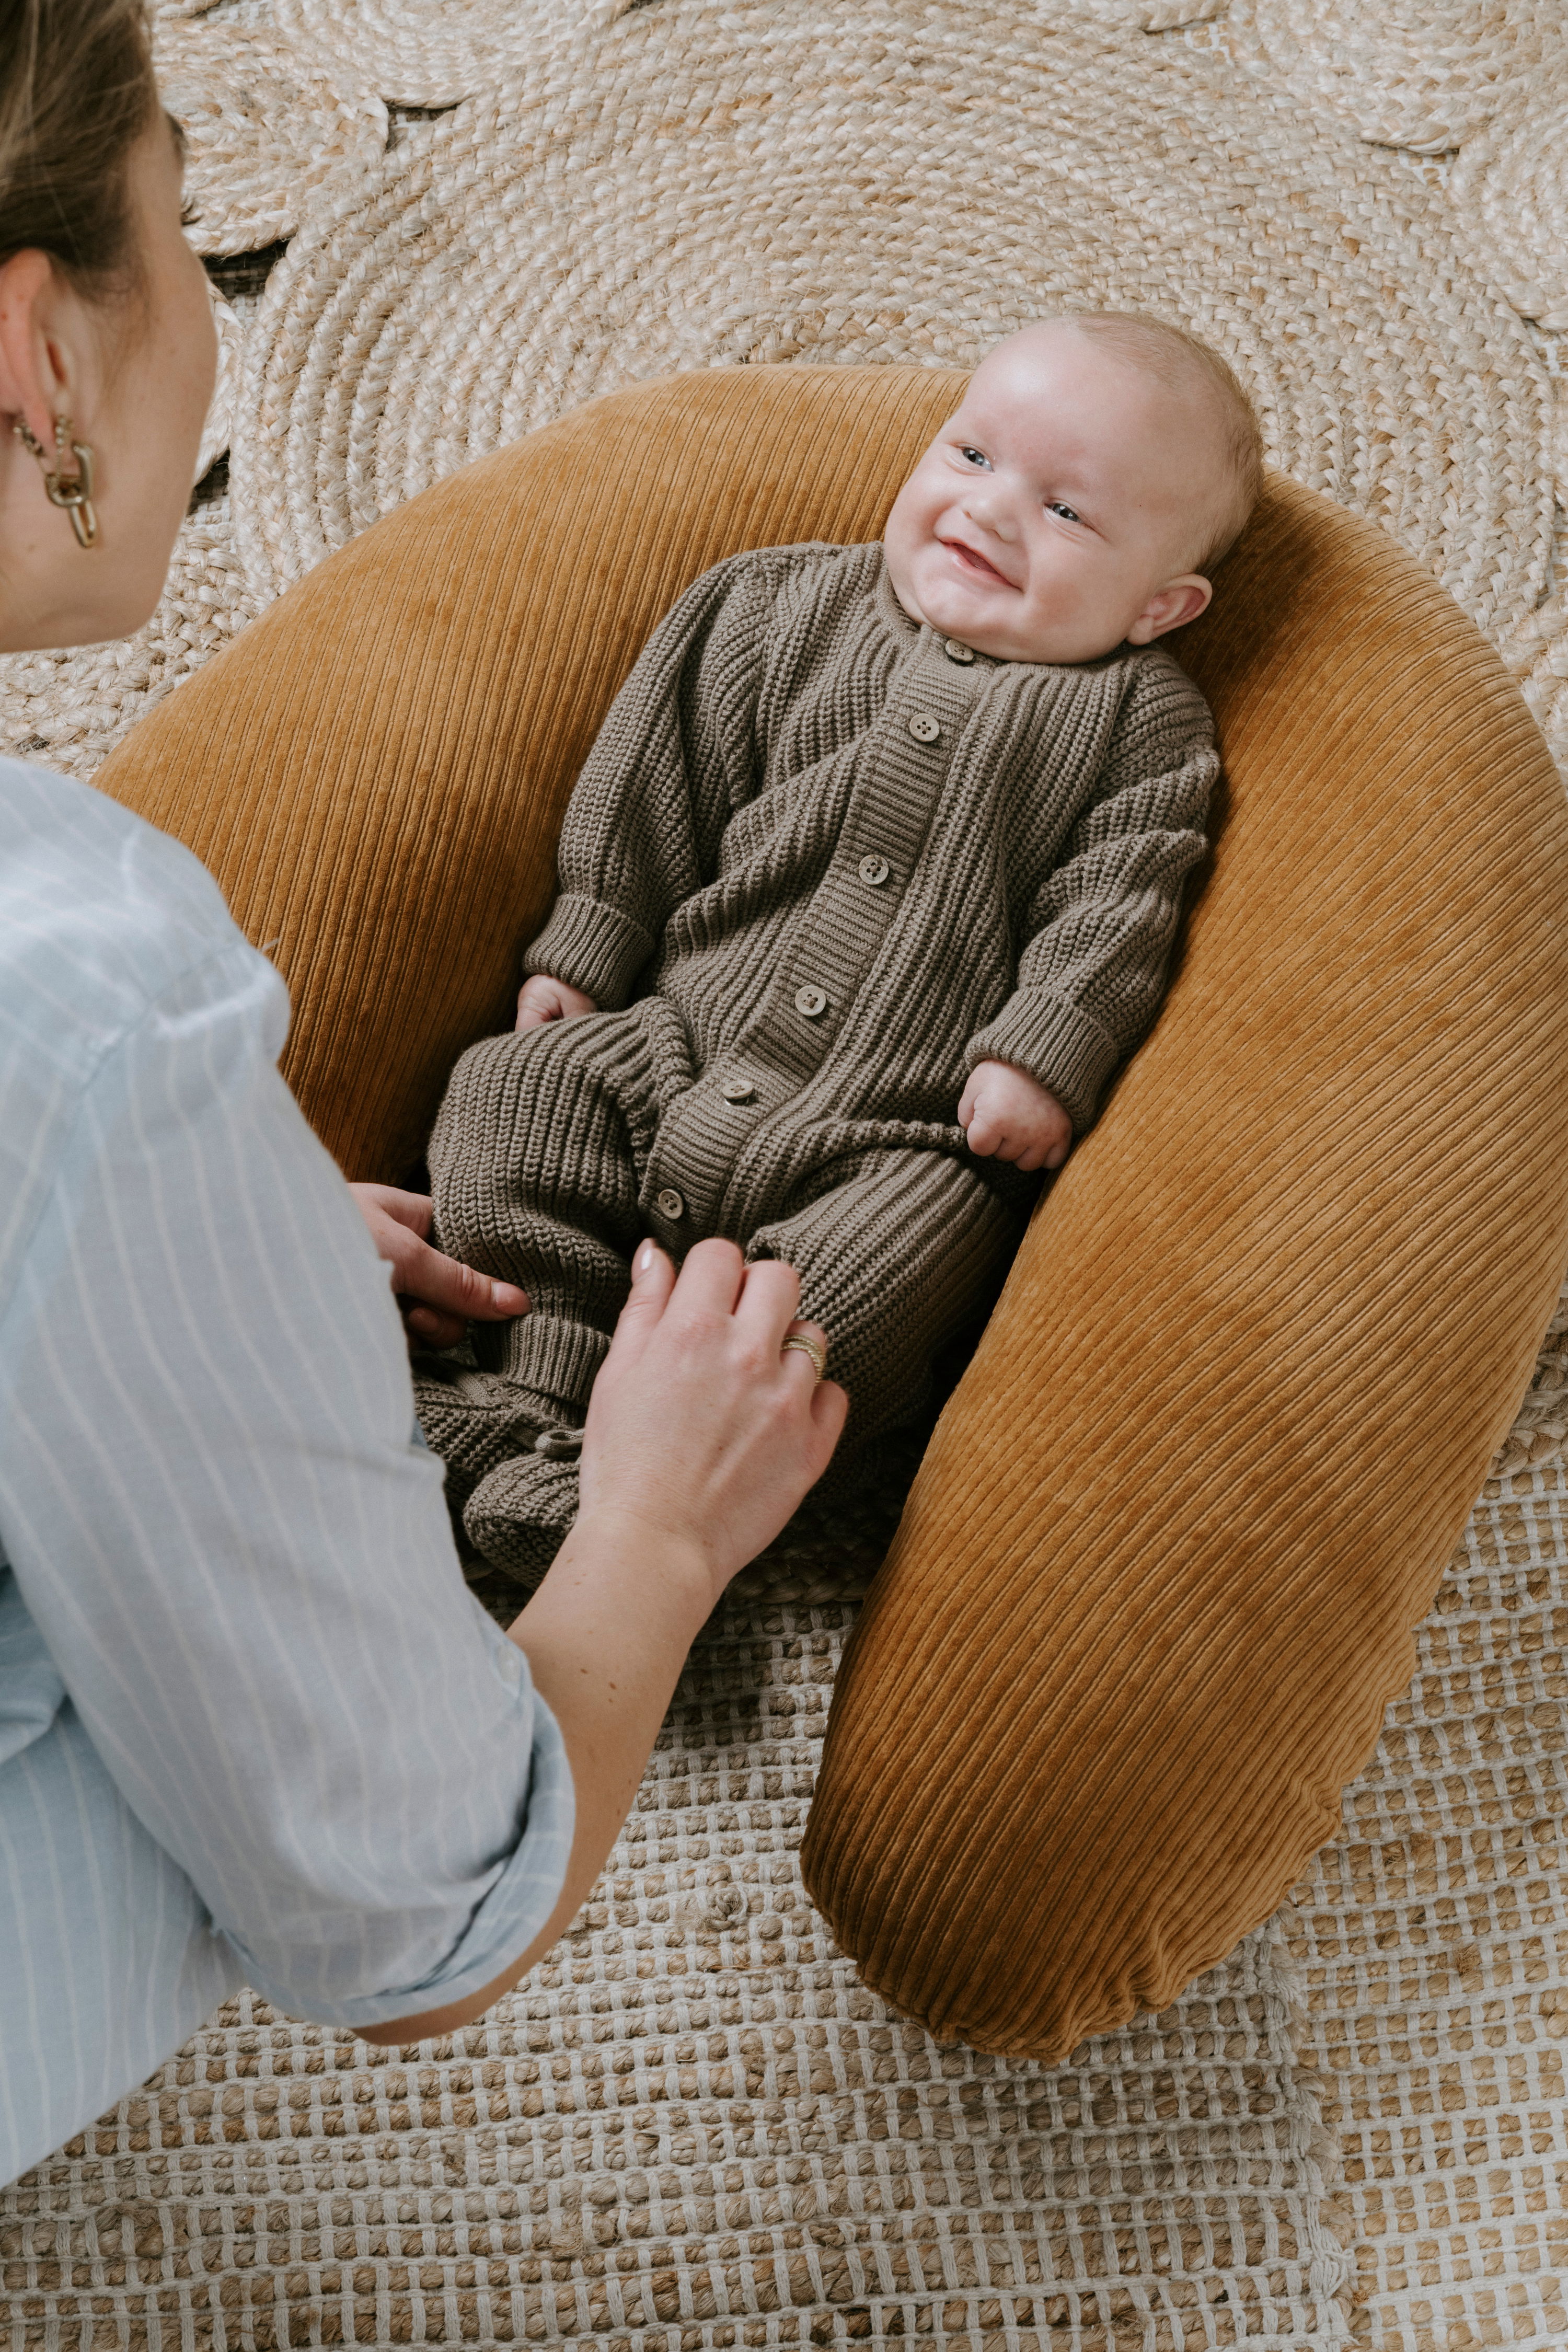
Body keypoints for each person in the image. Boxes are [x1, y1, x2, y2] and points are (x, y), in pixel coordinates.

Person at [0, 0, 845, 2189]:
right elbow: (414, 1912)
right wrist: (654, 1532)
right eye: (192, 245)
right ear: (38, 362)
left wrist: (213, 1291)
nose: (213, 322)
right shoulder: (84, 1000)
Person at [416, 316, 1262, 1574]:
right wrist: (590, 944)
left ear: (1161, 606)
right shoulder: (776, 607)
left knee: (878, 1283)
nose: (992, 510)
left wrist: (1045, 1050)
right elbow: (657, 783)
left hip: (893, 1139)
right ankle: (532, 1407)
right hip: (678, 1048)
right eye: (969, 454)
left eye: (1069, 512)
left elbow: (1123, 900)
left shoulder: (1140, 728)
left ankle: (651, 1496)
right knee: (513, 1094)